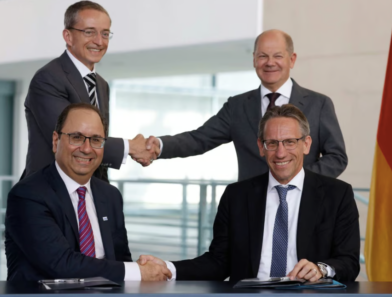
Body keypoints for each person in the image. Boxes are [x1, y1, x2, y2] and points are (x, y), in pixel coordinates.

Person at [139, 104, 360, 282]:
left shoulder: (337, 195)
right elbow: (219, 262)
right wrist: (168, 267)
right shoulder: (236, 196)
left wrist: (321, 269)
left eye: (290, 142)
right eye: (272, 143)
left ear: (306, 144)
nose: (281, 152)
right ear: (260, 147)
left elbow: (348, 262)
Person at [143, 29, 347, 181]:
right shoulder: (237, 107)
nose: (269, 62)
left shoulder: (319, 104)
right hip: (252, 206)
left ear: (291, 60)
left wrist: (297, 179)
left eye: (277, 56)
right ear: (254, 60)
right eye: (262, 56)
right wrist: (158, 146)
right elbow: (199, 139)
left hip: (304, 203)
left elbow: (337, 157)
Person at [5, 103, 171, 282]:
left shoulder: (111, 195)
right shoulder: (28, 195)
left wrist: (139, 268)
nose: (86, 148)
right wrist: (137, 272)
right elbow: (61, 264)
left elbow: (120, 260)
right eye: (76, 137)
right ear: (55, 141)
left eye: (96, 140)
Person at [24, 1, 153, 182]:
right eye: (89, 32)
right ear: (68, 36)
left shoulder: (101, 84)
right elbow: (71, 140)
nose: (99, 41)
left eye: (105, 33)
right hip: (48, 192)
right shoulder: (48, 78)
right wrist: (130, 147)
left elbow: (99, 139)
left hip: (90, 191)